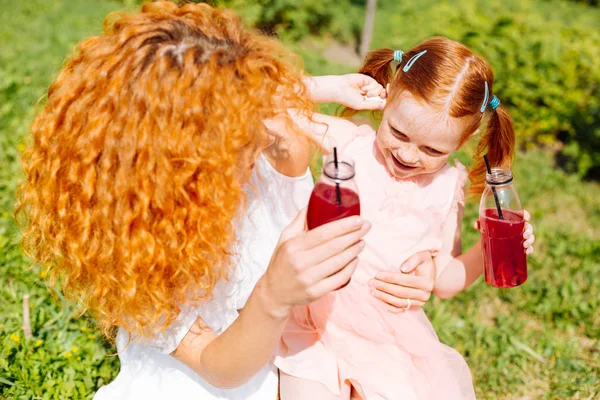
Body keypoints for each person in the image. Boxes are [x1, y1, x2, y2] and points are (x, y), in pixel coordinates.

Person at [16, 2, 436, 398]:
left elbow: (267, 99)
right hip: (214, 371)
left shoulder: (272, 143)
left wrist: (420, 268)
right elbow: (218, 365)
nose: (259, 142)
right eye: (237, 140)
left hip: (306, 344)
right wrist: (272, 296)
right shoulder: (134, 243)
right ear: (177, 161)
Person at [275, 37, 536, 400]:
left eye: (433, 150)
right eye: (399, 132)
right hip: (315, 325)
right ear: (391, 93)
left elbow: (444, 280)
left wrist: (490, 248)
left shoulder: (447, 187)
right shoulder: (350, 143)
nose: (409, 155)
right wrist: (328, 87)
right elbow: (264, 105)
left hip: (386, 338)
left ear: (465, 138)